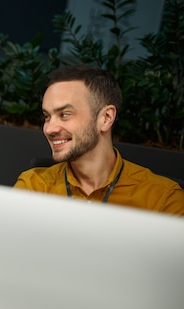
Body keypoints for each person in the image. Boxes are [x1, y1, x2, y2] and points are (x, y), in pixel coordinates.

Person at [14, 64, 184, 216]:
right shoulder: (34, 186)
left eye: (64, 115)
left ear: (106, 118)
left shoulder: (164, 199)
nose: (49, 128)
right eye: (47, 116)